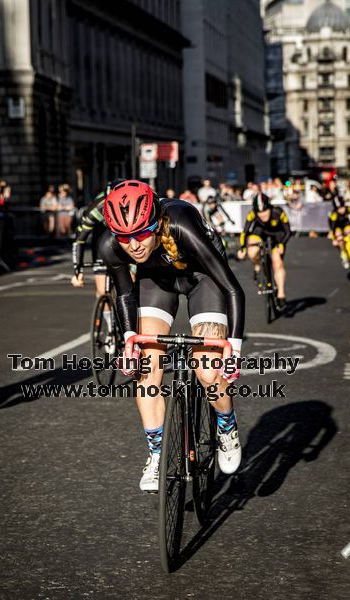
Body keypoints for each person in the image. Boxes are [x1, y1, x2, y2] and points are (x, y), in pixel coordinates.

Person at [99, 180, 245, 492]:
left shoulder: (182, 225)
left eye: (141, 233)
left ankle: (226, 424)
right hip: (157, 281)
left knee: (208, 370)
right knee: (147, 370)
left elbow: (233, 288)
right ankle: (156, 454)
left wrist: (234, 346)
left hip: (203, 277)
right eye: (125, 237)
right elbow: (125, 295)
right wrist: (129, 339)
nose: (134, 244)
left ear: (156, 223)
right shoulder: (109, 246)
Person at [238, 192, 291, 311]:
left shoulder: (278, 212)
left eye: (265, 211)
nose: (262, 215)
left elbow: (288, 231)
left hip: (277, 236)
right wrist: (242, 248)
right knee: (251, 250)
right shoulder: (252, 214)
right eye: (259, 212)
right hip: (259, 233)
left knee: (277, 262)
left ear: (269, 207)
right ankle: (257, 267)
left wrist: (282, 243)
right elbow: (244, 232)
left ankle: (281, 294)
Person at [328, 196, 350, 270]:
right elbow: (333, 228)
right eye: (338, 208)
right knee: (338, 236)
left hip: (348, 227)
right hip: (339, 229)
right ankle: (344, 255)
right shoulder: (333, 215)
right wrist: (334, 239)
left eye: (342, 207)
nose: (341, 210)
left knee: (348, 230)